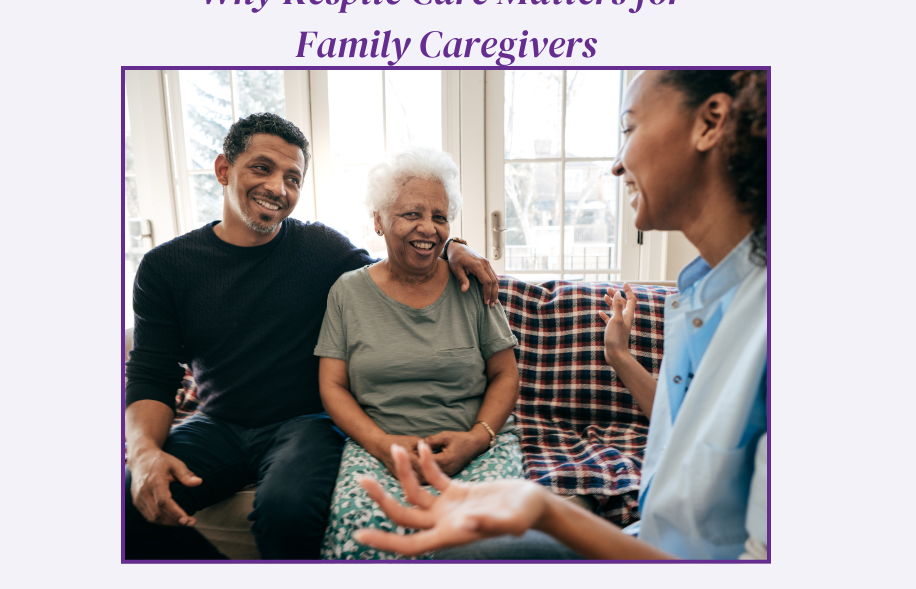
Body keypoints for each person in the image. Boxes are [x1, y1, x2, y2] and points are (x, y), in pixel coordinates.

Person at [353, 70, 768, 561]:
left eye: (629, 129)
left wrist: (551, 512)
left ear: (710, 122)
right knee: (460, 554)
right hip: (652, 540)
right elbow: (698, 434)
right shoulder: (701, 295)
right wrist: (618, 355)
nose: (617, 164)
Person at [124, 113, 500, 560]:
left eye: (293, 177)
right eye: (262, 168)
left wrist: (454, 245)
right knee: (125, 503)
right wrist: (143, 450)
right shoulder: (166, 267)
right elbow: (151, 374)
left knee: (288, 512)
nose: (278, 188)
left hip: (306, 423)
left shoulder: (323, 251)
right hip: (219, 423)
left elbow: (401, 258)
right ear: (224, 169)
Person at [314, 148, 522, 560]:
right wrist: (381, 444)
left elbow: (505, 374)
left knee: (488, 539)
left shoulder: (471, 283)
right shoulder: (348, 292)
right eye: (412, 214)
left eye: (440, 217)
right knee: (362, 530)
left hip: (475, 447)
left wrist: (476, 439)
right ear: (379, 221)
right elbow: (333, 386)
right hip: (380, 450)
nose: (428, 228)